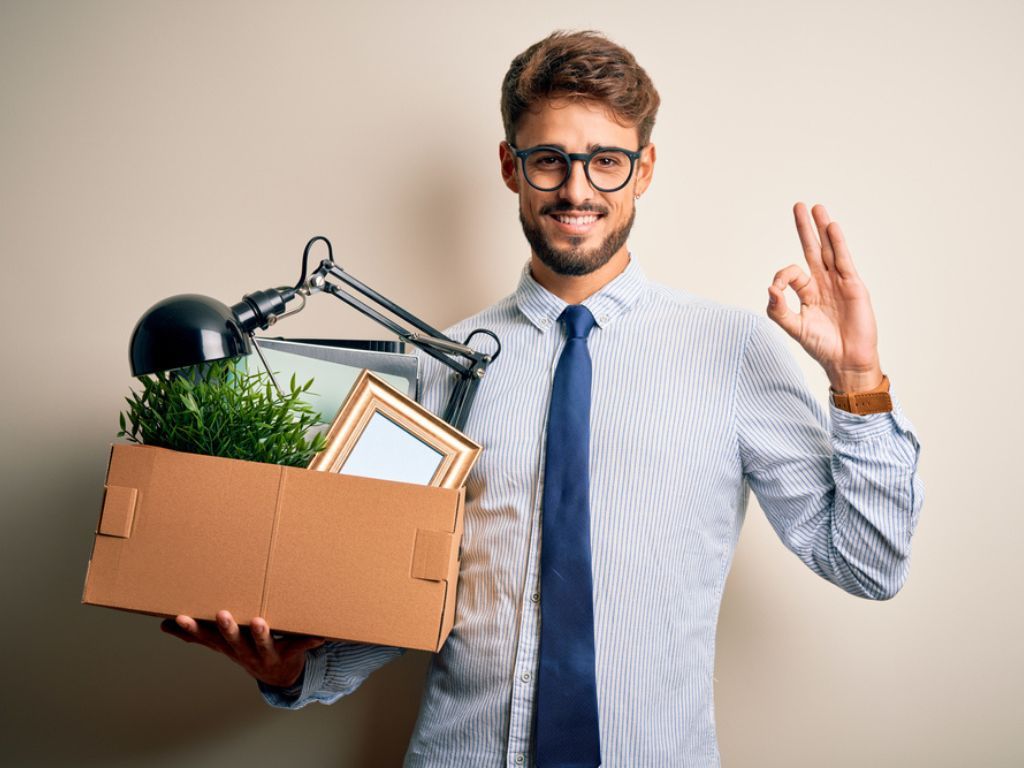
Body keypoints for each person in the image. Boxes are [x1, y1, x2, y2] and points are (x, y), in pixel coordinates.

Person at [161, 30, 924, 767]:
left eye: (606, 162)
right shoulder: (439, 367)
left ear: (646, 167)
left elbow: (868, 562)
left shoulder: (735, 352)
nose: (577, 189)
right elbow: (396, 594)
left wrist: (858, 376)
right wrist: (290, 671)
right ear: (510, 165)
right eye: (551, 160)